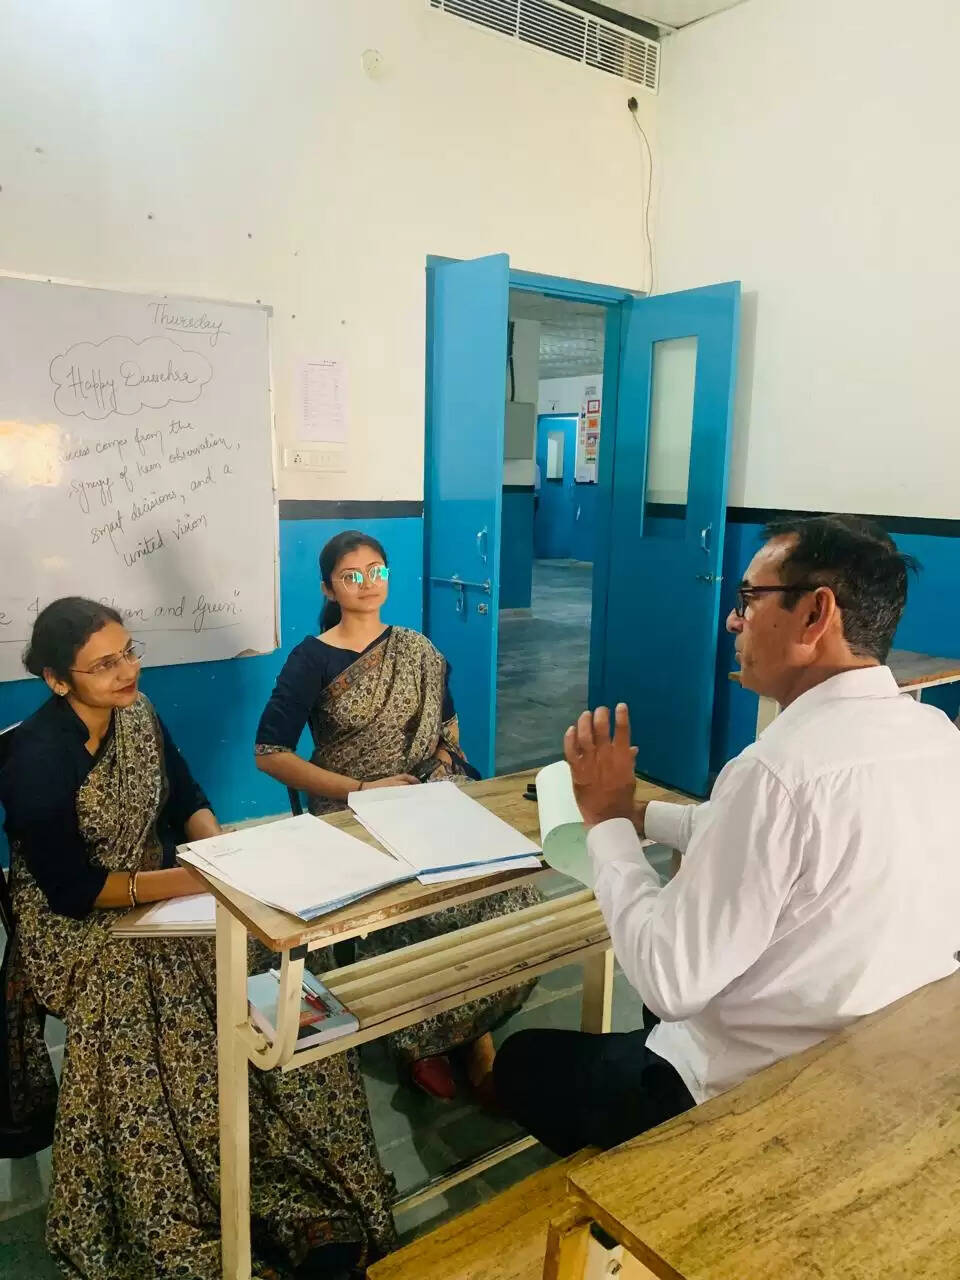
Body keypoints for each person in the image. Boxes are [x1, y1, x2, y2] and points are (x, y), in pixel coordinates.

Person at [494, 514, 960, 1154]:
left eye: (749, 599)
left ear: (814, 614)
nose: (733, 622)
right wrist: (638, 812)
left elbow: (669, 981)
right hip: (874, 1048)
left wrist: (604, 823)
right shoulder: (937, 736)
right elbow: (763, 842)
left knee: (524, 1061)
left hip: (747, 1089)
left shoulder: (777, 771)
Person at [0, 598, 396, 1279]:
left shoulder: (137, 714)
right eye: (104, 665)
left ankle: (300, 1189)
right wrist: (194, 880)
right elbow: (70, 889)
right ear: (57, 680)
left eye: (128, 652)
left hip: (164, 887)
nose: (127, 671)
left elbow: (185, 796)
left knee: (270, 973)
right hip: (79, 926)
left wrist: (221, 855)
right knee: (161, 1015)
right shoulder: (34, 757)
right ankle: (198, 1204)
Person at [255, 530, 538, 1100]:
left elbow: (447, 732)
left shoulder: (418, 649)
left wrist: (436, 772)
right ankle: (422, 1038)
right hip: (352, 805)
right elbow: (270, 754)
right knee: (419, 905)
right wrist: (364, 788)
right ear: (329, 588)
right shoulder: (312, 659)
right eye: (351, 576)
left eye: (376, 571)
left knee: (503, 890)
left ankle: (473, 1026)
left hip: (427, 795)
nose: (367, 583)